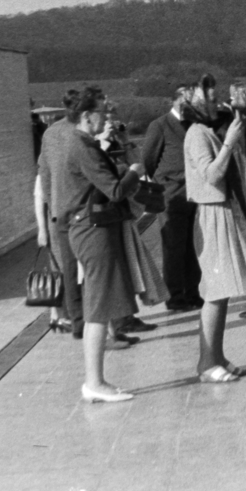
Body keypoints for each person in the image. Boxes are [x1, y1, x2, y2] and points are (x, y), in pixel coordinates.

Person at [61, 92, 146, 402]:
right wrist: (134, 172)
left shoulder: (83, 144)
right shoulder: (83, 148)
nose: (106, 118)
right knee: (97, 306)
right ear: (87, 117)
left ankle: (95, 381)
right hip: (92, 230)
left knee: (100, 303)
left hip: (91, 228)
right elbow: (113, 190)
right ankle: (94, 383)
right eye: (101, 113)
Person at [184, 79, 246, 382]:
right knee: (215, 291)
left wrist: (239, 122)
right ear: (197, 104)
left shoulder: (206, 131)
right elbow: (212, 175)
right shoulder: (196, 135)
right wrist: (230, 141)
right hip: (211, 213)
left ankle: (216, 357)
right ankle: (207, 365)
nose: (216, 103)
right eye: (211, 99)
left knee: (220, 292)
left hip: (219, 211)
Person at [34, 88, 94, 337]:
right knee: (92, 269)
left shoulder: (50, 133)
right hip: (84, 211)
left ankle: (76, 322)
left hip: (59, 213)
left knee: (67, 270)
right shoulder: (80, 134)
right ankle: (98, 323)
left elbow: (43, 174)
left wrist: (53, 206)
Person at [141, 84, 204, 311]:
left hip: (192, 195)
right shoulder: (159, 126)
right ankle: (175, 296)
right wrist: (163, 184)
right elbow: (148, 159)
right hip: (170, 197)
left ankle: (192, 292)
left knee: (189, 246)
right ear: (177, 101)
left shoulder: (194, 125)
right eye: (189, 102)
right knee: (173, 248)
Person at [96, 115, 160, 333]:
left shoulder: (116, 143)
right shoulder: (93, 147)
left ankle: (127, 317)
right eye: (106, 120)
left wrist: (125, 140)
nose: (111, 124)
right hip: (107, 214)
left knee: (130, 264)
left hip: (124, 211)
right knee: (120, 267)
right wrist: (103, 142)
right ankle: (120, 320)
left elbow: (139, 164)